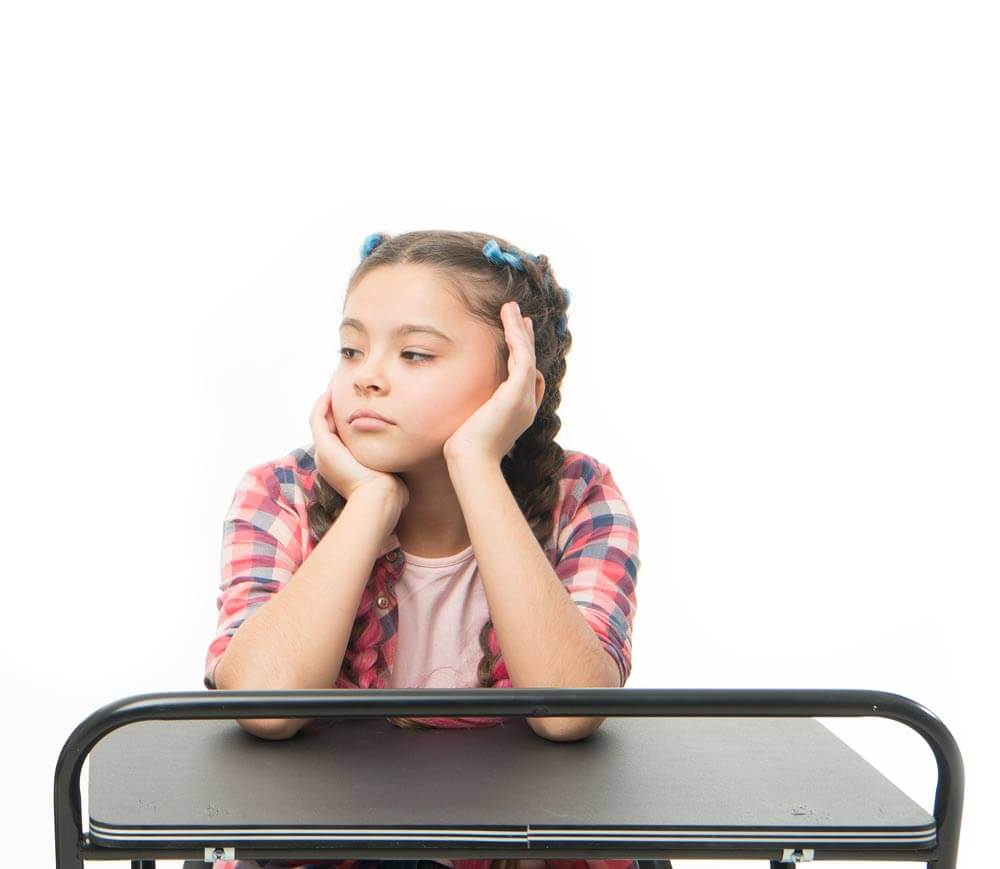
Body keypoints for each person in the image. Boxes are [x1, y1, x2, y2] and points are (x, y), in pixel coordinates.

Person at [203, 230, 646, 869]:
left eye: (414, 354)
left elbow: (568, 712)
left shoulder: (581, 498)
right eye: (351, 350)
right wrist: (370, 506)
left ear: (517, 379)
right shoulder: (279, 493)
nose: (368, 378)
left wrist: (475, 462)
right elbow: (263, 710)